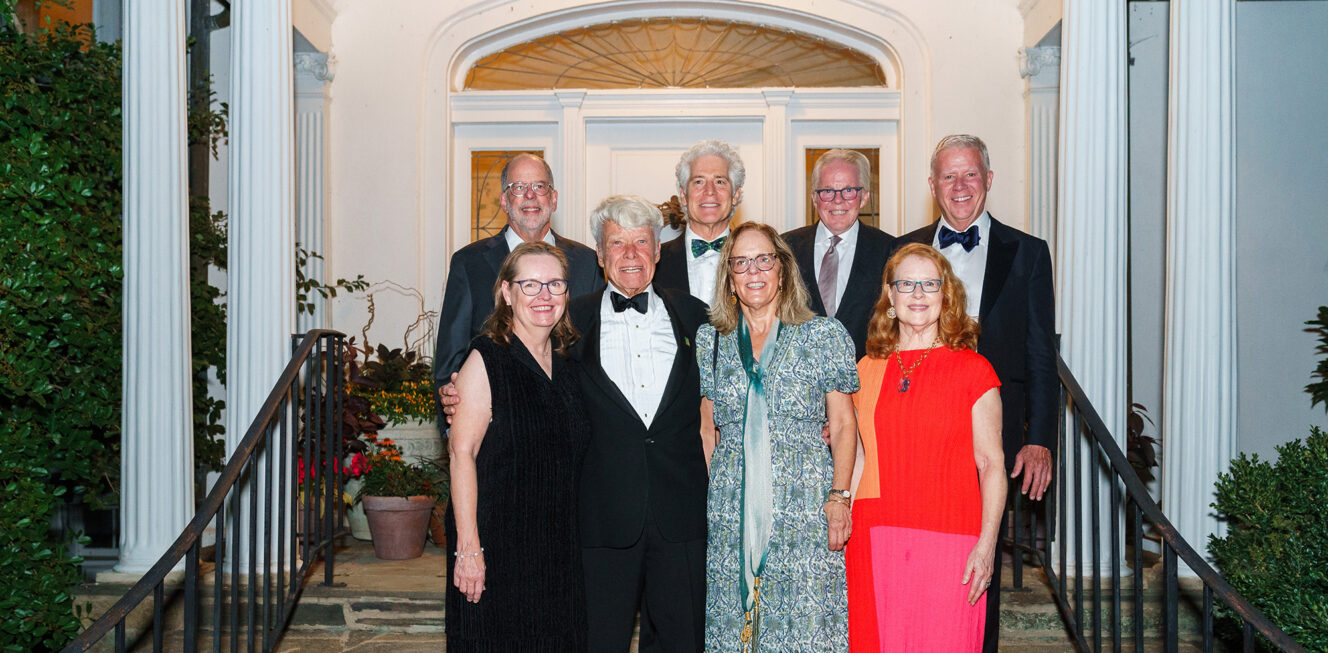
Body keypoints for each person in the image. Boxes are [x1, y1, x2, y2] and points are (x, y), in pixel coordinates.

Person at [443, 196, 712, 652]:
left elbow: (720, 405)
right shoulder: (571, 322)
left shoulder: (696, 316)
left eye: (641, 242)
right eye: (617, 244)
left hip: (680, 518)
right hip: (597, 523)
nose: (630, 254)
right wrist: (460, 393)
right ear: (600, 256)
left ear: (659, 250)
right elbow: (503, 387)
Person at [898, 135, 1057, 651]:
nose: (960, 186)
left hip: (997, 432)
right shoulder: (905, 250)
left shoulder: (1029, 253)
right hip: (919, 432)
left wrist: (1040, 438)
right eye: (949, 176)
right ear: (932, 186)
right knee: (919, 555)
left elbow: (1040, 353)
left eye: (970, 175)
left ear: (989, 180)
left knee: (980, 553)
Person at [696, 222, 859, 651]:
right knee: (735, 625)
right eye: (741, 262)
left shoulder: (824, 335)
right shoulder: (710, 340)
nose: (754, 271)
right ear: (729, 278)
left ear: (782, 271)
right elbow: (706, 428)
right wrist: (725, 489)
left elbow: (843, 424)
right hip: (733, 512)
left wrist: (840, 497)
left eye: (764, 259)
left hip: (805, 507)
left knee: (804, 626)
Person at [845, 243, 1006, 652]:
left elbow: (991, 464)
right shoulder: (866, 369)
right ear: (890, 297)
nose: (918, 294)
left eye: (929, 284)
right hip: (874, 534)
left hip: (952, 541)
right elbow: (858, 459)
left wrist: (986, 545)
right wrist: (843, 522)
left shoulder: (974, 369)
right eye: (906, 284)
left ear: (946, 295)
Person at [445, 241, 591, 652]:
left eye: (555, 284)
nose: (544, 296)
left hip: (557, 552)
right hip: (498, 550)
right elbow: (462, 454)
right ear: (507, 293)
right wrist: (469, 549)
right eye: (530, 285)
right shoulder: (486, 359)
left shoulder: (566, 367)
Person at [432, 153, 605, 435]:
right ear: (503, 200)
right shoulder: (470, 263)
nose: (530, 196)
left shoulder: (587, 263)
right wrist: (452, 418)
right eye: (518, 188)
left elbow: (595, 350)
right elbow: (452, 354)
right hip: (493, 430)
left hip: (573, 427)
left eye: (539, 187)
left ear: (554, 198)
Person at [783, 149, 896, 361]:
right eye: (827, 191)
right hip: (799, 384)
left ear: (864, 198)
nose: (838, 200)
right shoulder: (785, 248)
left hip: (866, 380)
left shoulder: (889, 250)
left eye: (849, 190)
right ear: (814, 198)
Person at [655, 140, 745, 305]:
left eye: (720, 182)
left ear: (735, 195)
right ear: (683, 194)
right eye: (698, 182)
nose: (709, 191)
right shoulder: (654, 263)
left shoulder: (757, 265)